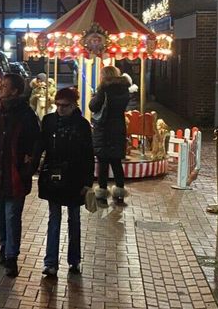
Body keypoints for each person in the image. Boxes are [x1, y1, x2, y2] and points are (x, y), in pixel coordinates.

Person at [0, 72, 41, 278]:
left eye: (5, 85)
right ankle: (4, 247)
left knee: (12, 216)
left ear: (14, 90)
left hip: (15, 174)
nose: (0, 88)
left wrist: (27, 169)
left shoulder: (26, 115)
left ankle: (12, 256)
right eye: (1, 85)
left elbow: (34, 146)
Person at [33, 87, 94, 277]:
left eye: (65, 106)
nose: (60, 109)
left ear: (74, 105)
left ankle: (74, 259)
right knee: (54, 218)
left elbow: (87, 155)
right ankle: (50, 262)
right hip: (53, 174)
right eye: (58, 105)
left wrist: (87, 182)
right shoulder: (49, 121)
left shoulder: (82, 125)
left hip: (75, 177)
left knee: (74, 218)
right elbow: (40, 144)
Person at [88, 65, 131, 206]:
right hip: (118, 127)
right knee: (116, 162)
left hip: (104, 129)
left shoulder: (104, 89)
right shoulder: (124, 89)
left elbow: (93, 106)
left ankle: (101, 194)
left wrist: (94, 97)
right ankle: (119, 194)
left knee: (103, 163)